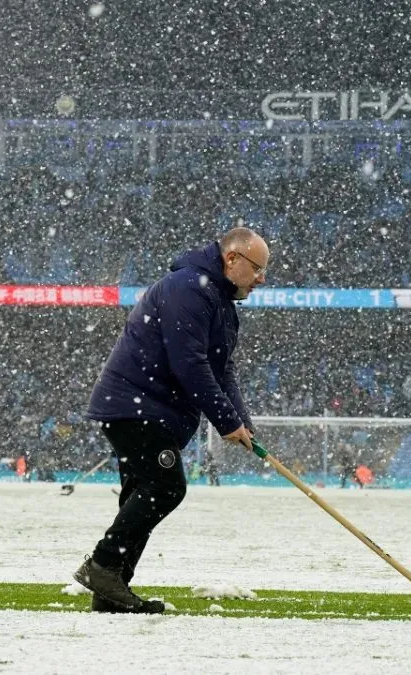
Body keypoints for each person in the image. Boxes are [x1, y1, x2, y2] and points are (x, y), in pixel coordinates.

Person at [73, 227, 268, 614]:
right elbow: (189, 365)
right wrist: (225, 421)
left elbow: (222, 370)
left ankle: (110, 590)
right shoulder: (188, 289)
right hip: (135, 408)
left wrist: (240, 421)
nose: (261, 279)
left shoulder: (221, 303)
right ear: (232, 259)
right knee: (165, 488)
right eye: (258, 269)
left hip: (147, 410)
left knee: (140, 494)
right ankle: (104, 566)